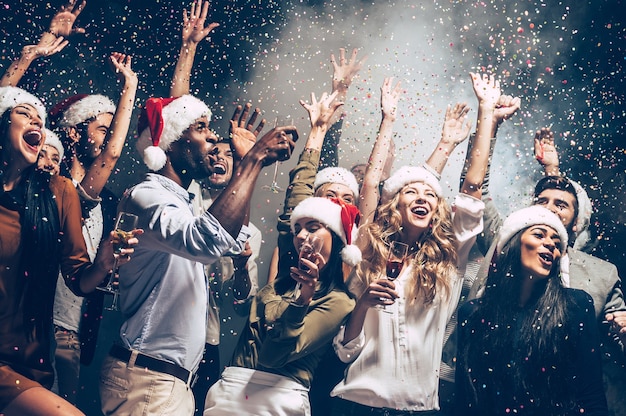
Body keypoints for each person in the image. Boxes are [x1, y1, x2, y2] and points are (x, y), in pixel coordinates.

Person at [98, 93, 297, 415]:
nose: (213, 137)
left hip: (167, 381)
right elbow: (206, 240)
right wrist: (253, 160)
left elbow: (232, 240)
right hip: (148, 380)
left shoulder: (181, 204)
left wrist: (245, 168)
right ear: (172, 141)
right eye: (201, 128)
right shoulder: (146, 196)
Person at [455, 72, 625, 414]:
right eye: (541, 202)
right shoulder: (506, 239)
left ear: (576, 222)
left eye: (559, 206)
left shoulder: (601, 275)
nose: (547, 210)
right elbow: (473, 191)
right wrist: (491, 124)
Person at [329, 97, 484, 414]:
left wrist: (487, 115)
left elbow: (472, 191)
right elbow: (345, 351)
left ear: (437, 209)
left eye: (430, 194)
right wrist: (364, 303)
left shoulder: (447, 264)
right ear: (394, 205)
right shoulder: (370, 258)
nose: (422, 197)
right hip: (357, 401)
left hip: (418, 406)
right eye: (411, 192)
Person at [0, 86, 135, 416]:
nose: (36, 119)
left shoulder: (58, 192)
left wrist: (102, 263)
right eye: (23, 113)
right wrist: (28, 58)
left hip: (33, 358)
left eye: (40, 117)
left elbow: (78, 278)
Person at [203, 196, 359, 416]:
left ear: (335, 237)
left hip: (278, 400)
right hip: (229, 391)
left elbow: (272, 357)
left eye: (312, 228)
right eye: (297, 229)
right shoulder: (279, 285)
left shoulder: (340, 300)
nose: (302, 235)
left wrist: (303, 300)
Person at [44, 52, 137, 405]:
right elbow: (110, 156)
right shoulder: (57, 188)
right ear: (73, 131)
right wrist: (130, 88)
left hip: (77, 329)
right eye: (103, 128)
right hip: (42, 324)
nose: (111, 136)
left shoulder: (111, 201)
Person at [455, 205, 608, 415]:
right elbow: (466, 400)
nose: (550, 245)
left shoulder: (576, 306)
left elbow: (591, 394)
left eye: (556, 243)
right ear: (513, 243)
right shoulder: (472, 314)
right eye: (539, 234)